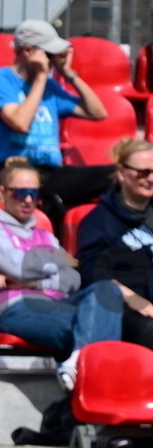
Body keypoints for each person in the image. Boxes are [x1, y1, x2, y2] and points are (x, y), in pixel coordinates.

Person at [0, 159, 125, 390]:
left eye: (34, 193)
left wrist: (32, 281)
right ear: (2, 192)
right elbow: (17, 265)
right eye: (20, 193)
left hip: (55, 302)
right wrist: (52, 264)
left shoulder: (44, 235)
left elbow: (73, 276)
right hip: (14, 306)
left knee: (107, 290)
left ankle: (77, 362)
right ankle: (97, 380)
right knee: (94, 327)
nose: (29, 200)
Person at [0, 19, 111, 214]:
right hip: (7, 170)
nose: (54, 61)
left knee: (118, 175)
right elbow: (20, 123)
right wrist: (41, 77)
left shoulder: (50, 87)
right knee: (43, 194)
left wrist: (69, 75)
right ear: (28, 51)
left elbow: (98, 113)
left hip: (48, 172)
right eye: (50, 54)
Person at [77, 139, 153, 351]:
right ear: (121, 173)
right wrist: (131, 298)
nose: (151, 179)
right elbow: (92, 275)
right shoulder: (98, 221)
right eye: (142, 173)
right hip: (123, 311)